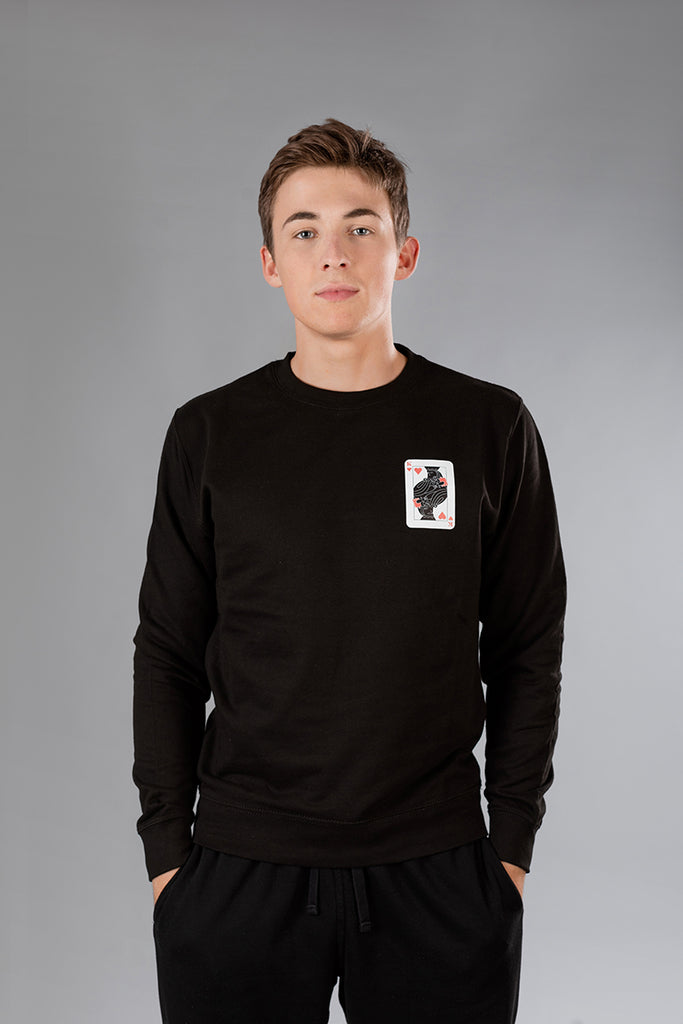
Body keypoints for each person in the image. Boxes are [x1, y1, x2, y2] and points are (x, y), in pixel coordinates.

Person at [133, 118, 566, 1024]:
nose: (332, 253)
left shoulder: (487, 426)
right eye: (304, 231)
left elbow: (527, 644)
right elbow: (169, 651)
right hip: (238, 870)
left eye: (359, 227)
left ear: (403, 252)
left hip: (439, 870)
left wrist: (510, 848)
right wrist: (169, 856)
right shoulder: (209, 434)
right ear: (270, 263)